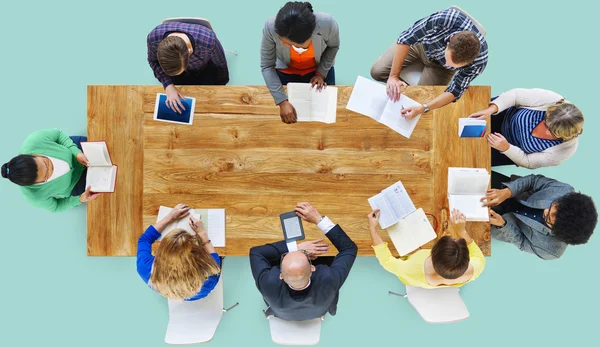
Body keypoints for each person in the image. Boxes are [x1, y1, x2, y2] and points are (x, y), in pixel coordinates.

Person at [370, 7, 488, 119]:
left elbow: (455, 91)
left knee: (421, 101)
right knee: (376, 72)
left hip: (440, 69)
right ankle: (400, 86)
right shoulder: (446, 19)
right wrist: (393, 77)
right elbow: (405, 38)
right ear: (450, 40)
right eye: (448, 59)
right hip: (421, 46)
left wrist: (424, 108)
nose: (448, 63)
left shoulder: (479, 61)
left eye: (454, 66)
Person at [250, 202, 357, 320]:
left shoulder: (268, 283)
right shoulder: (329, 279)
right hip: (318, 309)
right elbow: (349, 248)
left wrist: (295, 248)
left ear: (281, 275)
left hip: (283, 312)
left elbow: (256, 253)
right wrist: (318, 219)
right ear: (312, 267)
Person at [482, 173, 597, 260]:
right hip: (507, 190)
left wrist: (502, 225)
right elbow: (533, 181)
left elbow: (522, 242)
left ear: (557, 231)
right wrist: (507, 192)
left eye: (548, 217)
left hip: (499, 224)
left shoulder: (552, 250)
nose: (545, 210)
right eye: (554, 205)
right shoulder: (563, 190)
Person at [261, 1, 339, 124]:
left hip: (319, 70)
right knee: (288, 122)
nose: (285, 45)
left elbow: (333, 46)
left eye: (291, 43)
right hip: (285, 72)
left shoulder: (327, 24)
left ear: (310, 36)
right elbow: (267, 66)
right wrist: (282, 101)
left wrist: (321, 74)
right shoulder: (270, 27)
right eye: (283, 41)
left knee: (324, 120)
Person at [369, 208, 485, 288]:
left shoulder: (409, 269)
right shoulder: (476, 267)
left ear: (432, 252)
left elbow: (386, 261)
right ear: (467, 259)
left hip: (412, 275)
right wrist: (461, 231)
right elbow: (475, 252)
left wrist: (372, 227)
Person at [469, 88, 583, 168]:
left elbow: (528, 162)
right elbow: (515, 96)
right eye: (545, 123)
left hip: (508, 149)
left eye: (553, 134)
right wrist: (491, 109)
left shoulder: (565, 150)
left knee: (469, 160)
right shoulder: (553, 100)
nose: (545, 131)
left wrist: (506, 148)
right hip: (501, 114)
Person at [136, 203, 221, 300]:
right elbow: (213, 257)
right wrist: (202, 233)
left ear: (161, 249)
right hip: (198, 292)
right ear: (196, 253)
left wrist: (169, 218)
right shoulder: (210, 271)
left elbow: (145, 240)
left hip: (170, 291)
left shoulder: (145, 268)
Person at [1, 128, 99, 212]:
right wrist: (79, 199)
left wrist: (76, 152)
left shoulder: (33, 141)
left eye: (45, 162)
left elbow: (58, 134)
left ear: (32, 155)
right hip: (77, 184)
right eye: (47, 175)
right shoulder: (34, 197)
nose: (52, 168)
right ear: (33, 184)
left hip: (75, 148)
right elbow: (57, 207)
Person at [147, 21, 229, 114]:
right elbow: (153, 61)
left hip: (204, 70)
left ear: (189, 52)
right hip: (177, 77)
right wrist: (168, 85)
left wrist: (219, 91)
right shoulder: (153, 39)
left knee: (206, 106)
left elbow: (221, 68)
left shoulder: (209, 42)